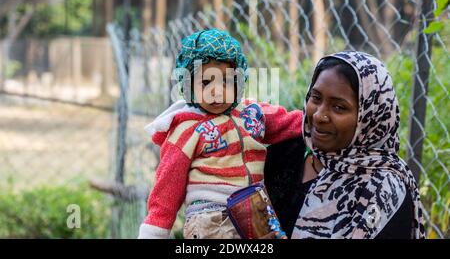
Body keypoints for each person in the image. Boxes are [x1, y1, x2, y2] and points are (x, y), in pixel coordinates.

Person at [138, 28, 303, 239]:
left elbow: (289, 122)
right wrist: (154, 233)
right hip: (211, 219)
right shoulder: (186, 128)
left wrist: (314, 121)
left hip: (256, 211)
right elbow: (167, 185)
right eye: (206, 82)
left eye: (226, 81)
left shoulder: (252, 113)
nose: (217, 91)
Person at [264, 51, 426, 239]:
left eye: (339, 107)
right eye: (316, 98)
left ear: (369, 118)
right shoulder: (285, 152)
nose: (319, 115)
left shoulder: (382, 191)